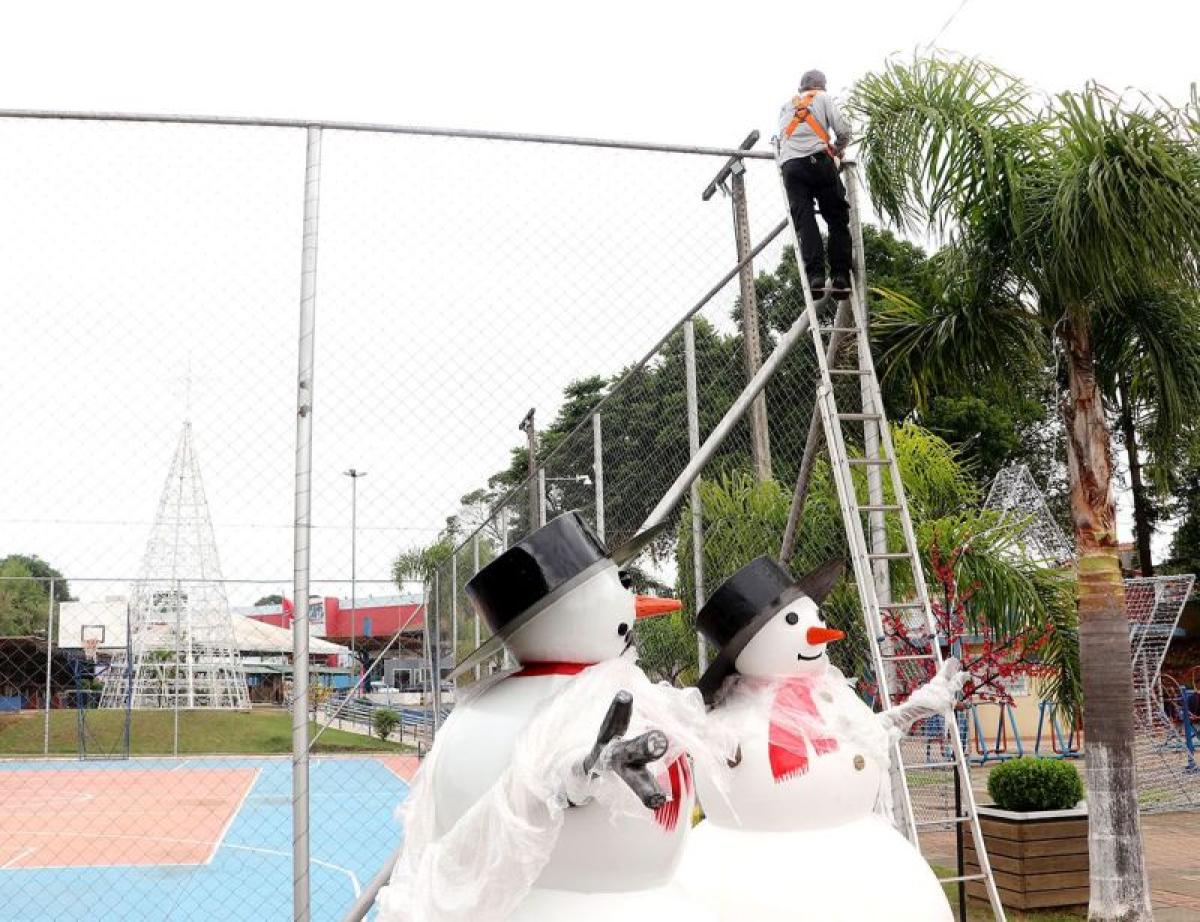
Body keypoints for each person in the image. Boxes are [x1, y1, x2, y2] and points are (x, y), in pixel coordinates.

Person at [777, 69, 853, 299]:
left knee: (805, 220)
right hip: (819, 163)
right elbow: (843, 130)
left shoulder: (785, 107)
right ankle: (840, 276)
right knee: (837, 217)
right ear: (821, 85)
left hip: (791, 167)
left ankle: (815, 277)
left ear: (802, 87)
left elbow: (781, 139)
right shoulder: (823, 98)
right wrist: (838, 149)